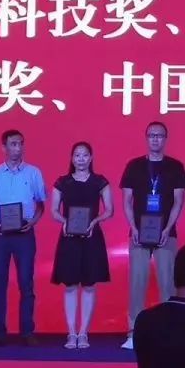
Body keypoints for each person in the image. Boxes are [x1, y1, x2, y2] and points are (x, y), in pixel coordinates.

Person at [120, 120, 185, 350]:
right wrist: (134, 228)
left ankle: (169, 332)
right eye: (151, 135)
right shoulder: (134, 166)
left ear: (165, 139)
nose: (155, 139)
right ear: (146, 138)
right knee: (137, 283)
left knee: (168, 284)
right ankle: (133, 333)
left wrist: (168, 228)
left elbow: (179, 201)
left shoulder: (175, 166)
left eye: (159, 135)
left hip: (166, 233)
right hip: (138, 234)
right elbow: (127, 201)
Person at [0, 128, 46, 346]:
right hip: (1, 235)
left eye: (21, 143)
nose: (18, 148)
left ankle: (27, 331)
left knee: (26, 283)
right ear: (4, 148)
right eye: (13, 144)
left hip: (24, 234)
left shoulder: (33, 173)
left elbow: (41, 204)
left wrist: (33, 222)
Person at [51, 141, 114, 348]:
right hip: (69, 238)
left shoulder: (100, 182)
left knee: (89, 285)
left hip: (91, 237)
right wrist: (65, 222)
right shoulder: (62, 182)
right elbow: (54, 211)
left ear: (91, 158)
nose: (81, 159)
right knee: (70, 286)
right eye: (77, 155)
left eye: (85, 155)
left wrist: (95, 221)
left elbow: (109, 210)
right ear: (72, 158)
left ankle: (83, 333)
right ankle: (71, 333)